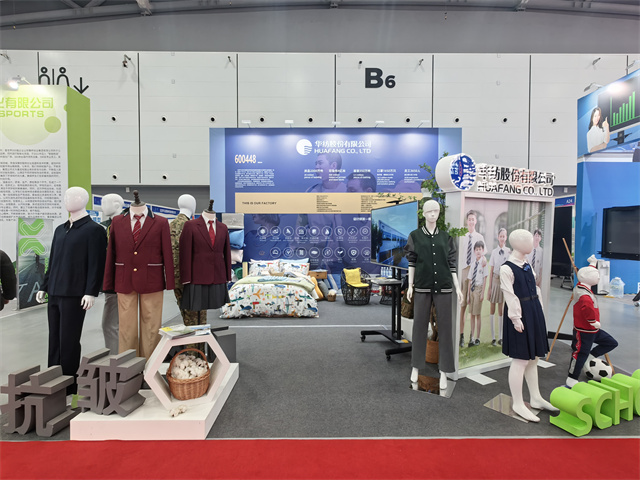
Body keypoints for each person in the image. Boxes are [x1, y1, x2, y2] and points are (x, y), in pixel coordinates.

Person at [36, 187, 108, 395]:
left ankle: (69, 385)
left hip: (75, 293)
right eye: (66, 196)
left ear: (83, 200)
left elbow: (96, 264)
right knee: (54, 339)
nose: (67, 200)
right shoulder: (60, 229)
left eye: (73, 196)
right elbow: (53, 261)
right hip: (55, 292)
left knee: (69, 340)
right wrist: (44, 286)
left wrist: (91, 291)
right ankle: (53, 381)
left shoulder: (94, 230)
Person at [103, 191, 175, 360]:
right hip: (124, 279)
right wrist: (108, 282)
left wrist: (170, 281)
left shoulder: (161, 222)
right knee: (126, 328)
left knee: (151, 326)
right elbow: (111, 253)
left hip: (152, 280)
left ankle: (150, 365)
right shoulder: (117, 222)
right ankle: (128, 366)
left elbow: (167, 253)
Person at [499, 229, 557, 422]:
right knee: (520, 359)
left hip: (533, 312)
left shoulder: (526, 265)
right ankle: (517, 402)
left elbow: (536, 289)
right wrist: (516, 319)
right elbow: (509, 296)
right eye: (529, 240)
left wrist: (539, 311)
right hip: (520, 314)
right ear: (518, 243)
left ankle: (536, 397)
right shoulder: (506, 268)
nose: (533, 243)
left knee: (534, 359)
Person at [405, 200, 463, 391]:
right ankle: (415, 367)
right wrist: (410, 285)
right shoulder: (415, 236)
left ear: (439, 212)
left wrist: (457, 286)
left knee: (445, 328)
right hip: (422, 286)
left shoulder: (446, 237)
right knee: (419, 327)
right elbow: (412, 262)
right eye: (429, 211)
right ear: (423, 213)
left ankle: (444, 371)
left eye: (436, 211)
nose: (432, 214)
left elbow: (451, 263)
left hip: (444, 287)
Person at [566, 255, 618, 387]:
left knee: (611, 342)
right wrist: (593, 321)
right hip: (584, 330)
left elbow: (587, 273)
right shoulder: (584, 295)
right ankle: (572, 377)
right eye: (596, 276)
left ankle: (591, 356)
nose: (598, 277)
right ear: (586, 277)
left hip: (593, 330)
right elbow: (587, 310)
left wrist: (592, 263)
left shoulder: (583, 285)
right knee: (579, 353)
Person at [100, 193, 124, 355]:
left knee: (110, 325)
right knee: (114, 325)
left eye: (105, 203)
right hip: (112, 282)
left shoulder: (125, 224)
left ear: (116, 205)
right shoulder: (105, 226)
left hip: (118, 282)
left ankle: (115, 361)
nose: (102, 206)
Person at [459, 210, 485, 348]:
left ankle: (472, 336)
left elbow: (483, 255)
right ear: (467, 221)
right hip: (464, 271)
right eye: (469, 219)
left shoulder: (479, 237)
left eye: (473, 219)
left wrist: (483, 260)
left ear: (476, 221)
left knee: (474, 307)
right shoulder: (462, 236)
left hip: (475, 272)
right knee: (463, 305)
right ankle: (461, 335)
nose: (471, 221)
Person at [487, 228, 510, 346]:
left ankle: (500, 337)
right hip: (495, 281)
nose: (502, 238)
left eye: (504, 236)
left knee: (501, 310)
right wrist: (490, 287)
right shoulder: (494, 252)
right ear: (498, 237)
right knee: (492, 308)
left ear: (506, 238)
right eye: (500, 236)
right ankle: (493, 337)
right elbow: (491, 270)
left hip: (503, 282)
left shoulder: (509, 252)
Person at [466, 240, 487, 347]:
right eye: (477, 249)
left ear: (483, 251)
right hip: (472, 290)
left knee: (477, 314)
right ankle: (472, 337)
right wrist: (468, 295)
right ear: (474, 251)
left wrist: (482, 293)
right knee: (472, 315)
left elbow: (485, 278)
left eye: (480, 249)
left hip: (479, 289)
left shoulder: (483, 263)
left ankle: (478, 338)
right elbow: (470, 280)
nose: (478, 251)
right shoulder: (473, 264)